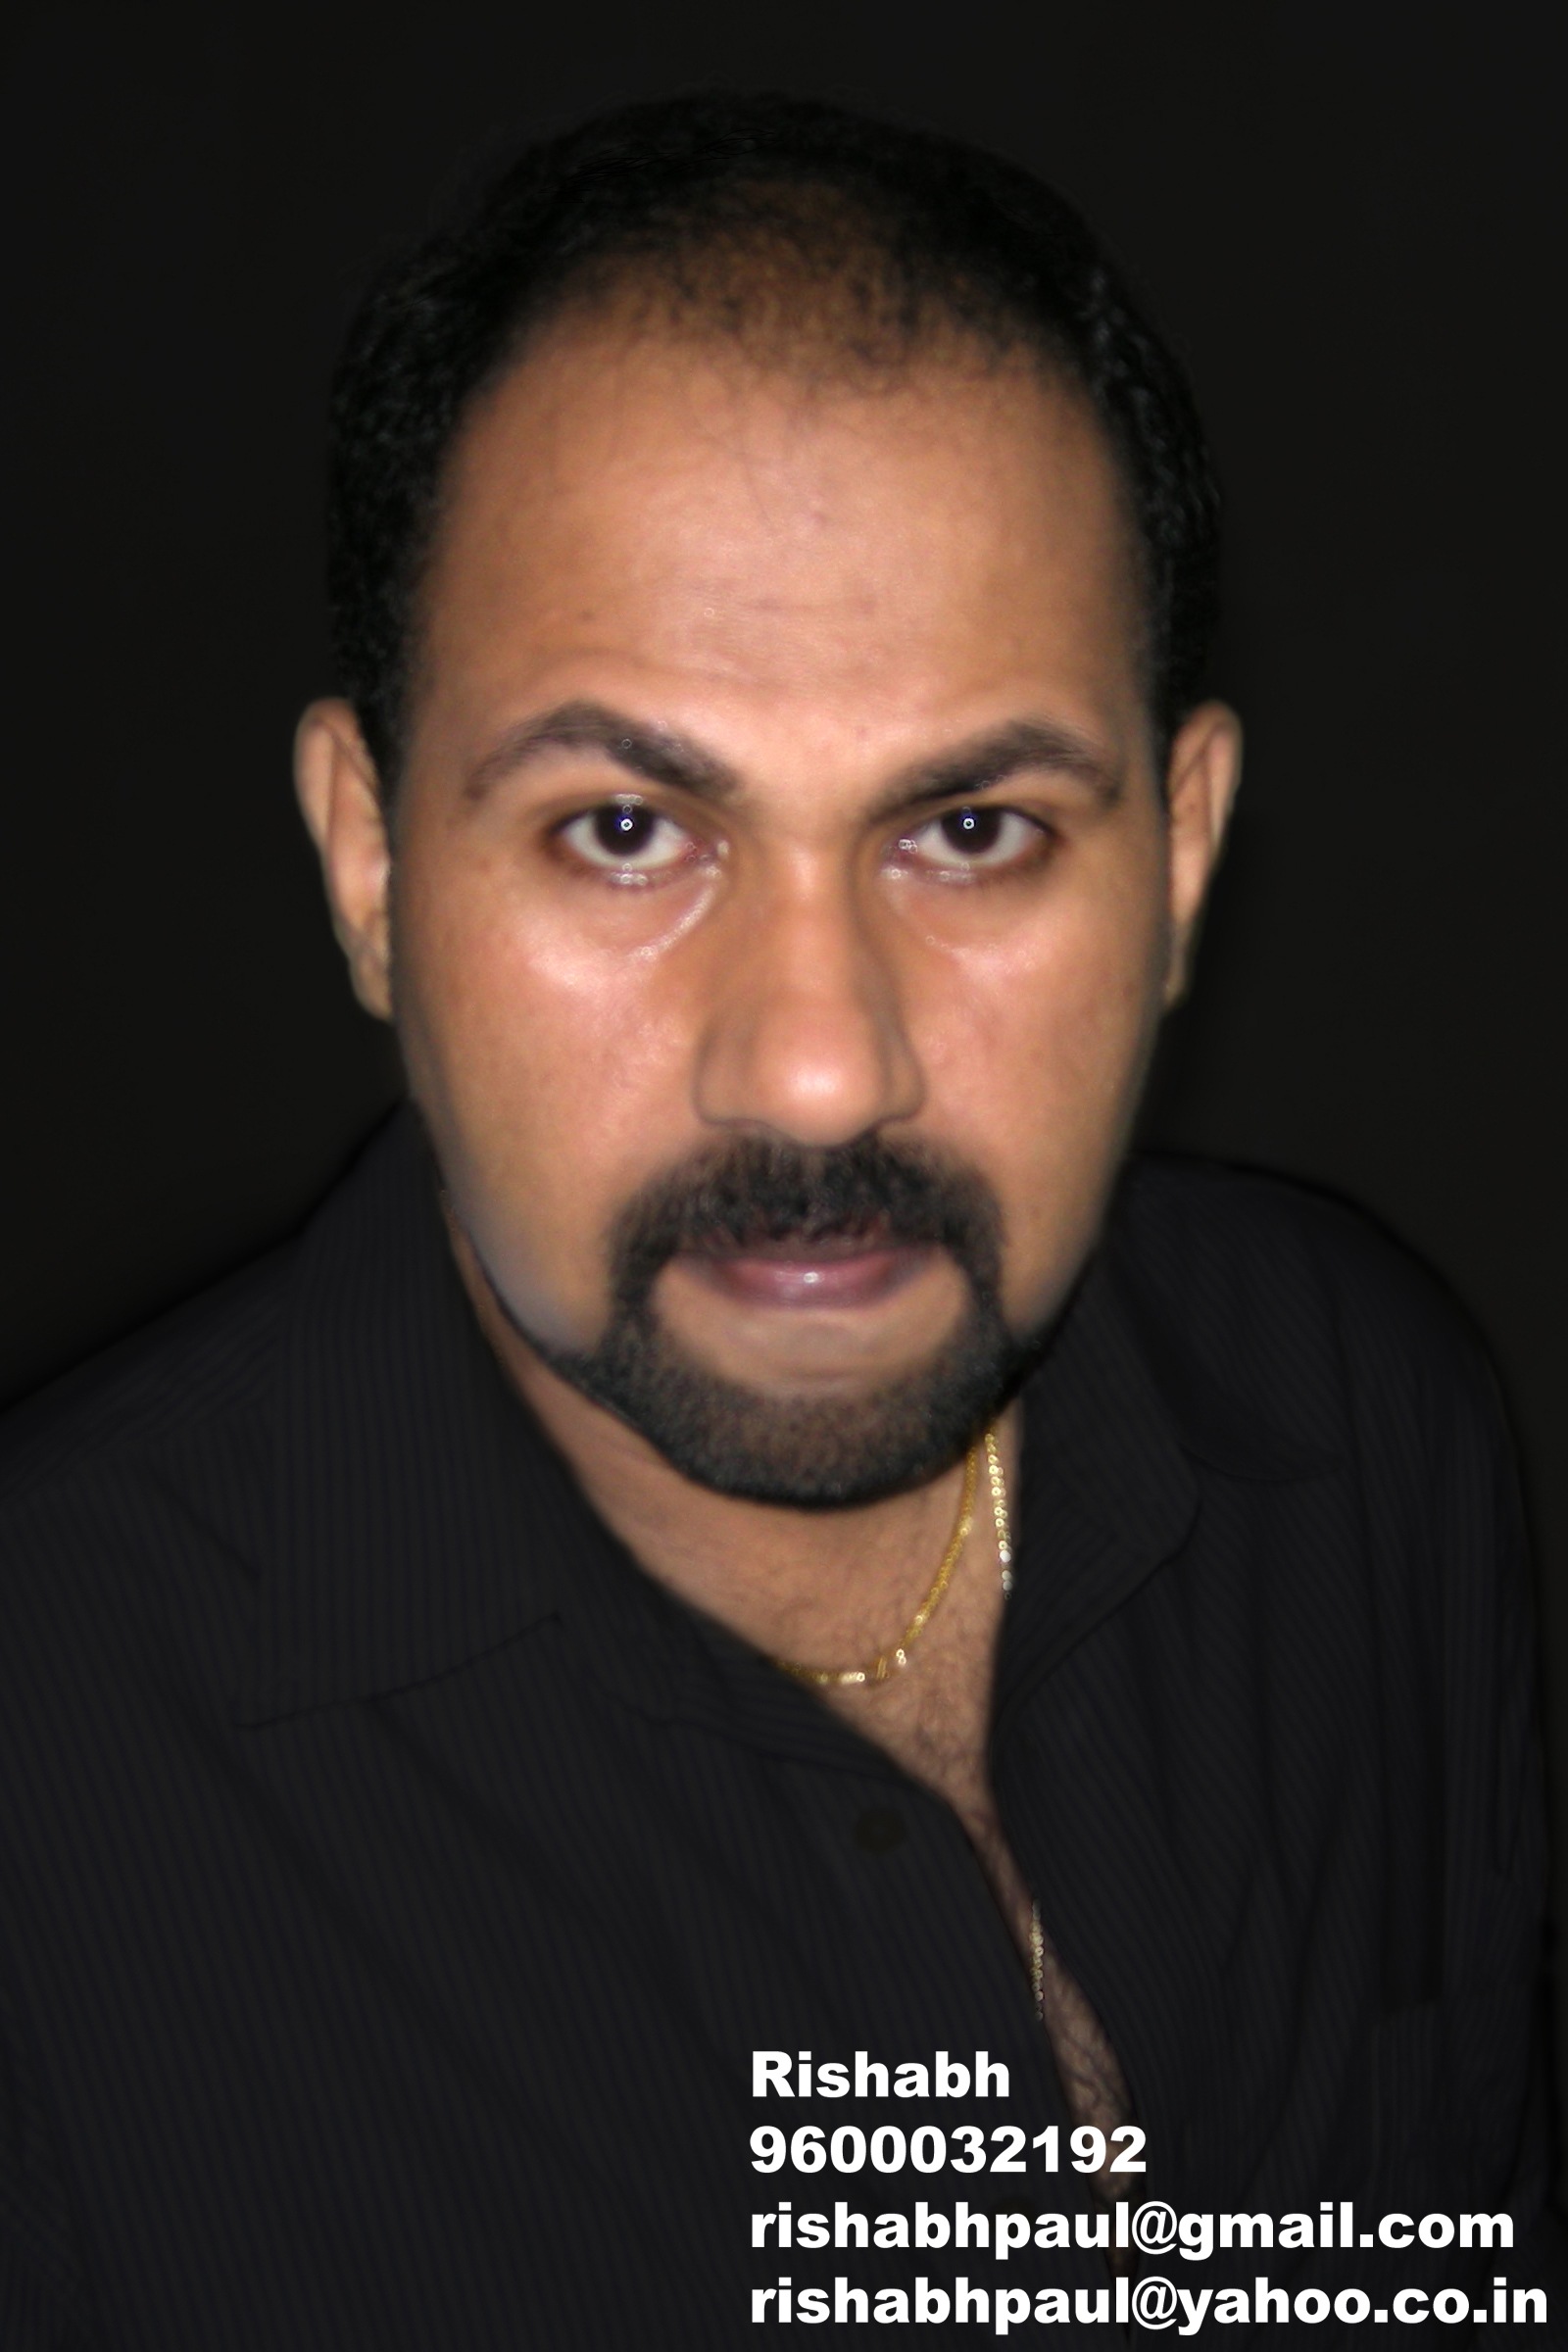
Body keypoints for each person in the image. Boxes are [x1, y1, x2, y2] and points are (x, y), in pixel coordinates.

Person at [0, 90, 1556, 2347]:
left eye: (970, 831)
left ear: (1180, 860)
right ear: (369, 867)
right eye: (626, 831)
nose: (819, 1069)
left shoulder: (1366, 1422)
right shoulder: (46, 1799)